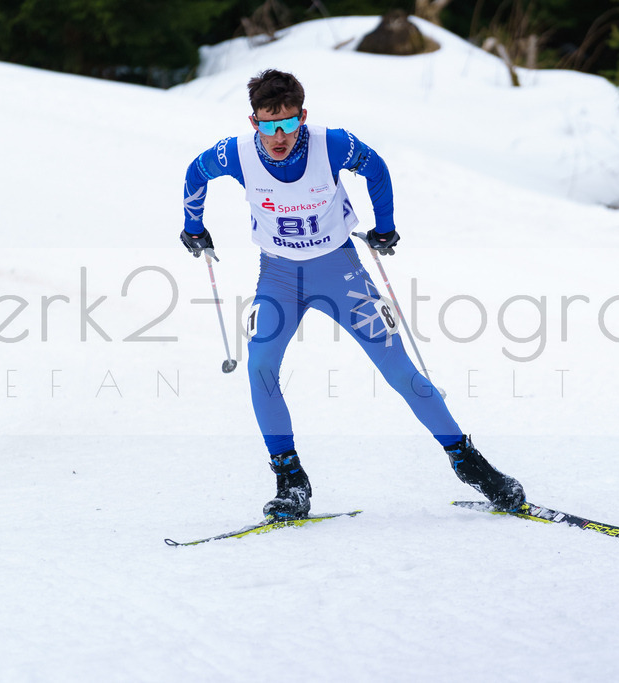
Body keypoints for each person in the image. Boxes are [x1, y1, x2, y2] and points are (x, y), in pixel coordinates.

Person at [180, 69, 524, 519]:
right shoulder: (237, 153)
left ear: (302, 116)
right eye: (269, 124)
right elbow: (195, 172)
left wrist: (385, 227)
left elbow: (376, 169)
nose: (279, 136)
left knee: (400, 372)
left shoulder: (332, 143)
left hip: (340, 273)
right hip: (278, 278)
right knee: (260, 366)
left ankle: (469, 463)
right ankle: (291, 481)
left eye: (287, 123)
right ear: (254, 122)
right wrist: (193, 229)